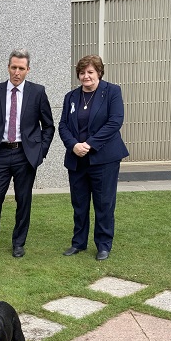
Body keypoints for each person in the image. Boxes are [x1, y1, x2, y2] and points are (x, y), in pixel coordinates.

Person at [0, 48, 54, 258]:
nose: (17, 72)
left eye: (21, 68)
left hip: (25, 155)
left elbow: (48, 126)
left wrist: (40, 153)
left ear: (28, 70)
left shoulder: (38, 92)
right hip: (0, 154)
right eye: (13, 67)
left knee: (24, 200)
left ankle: (18, 243)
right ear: (8, 67)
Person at [58, 54, 129, 260]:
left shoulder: (112, 91)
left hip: (104, 159)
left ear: (99, 72)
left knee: (104, 203)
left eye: (90, 72)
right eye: (82, 72)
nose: (86, 76)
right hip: (77, 159)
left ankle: (103, 245)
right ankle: (78, 243)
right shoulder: (70, 97)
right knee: (79, 204)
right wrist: (74, 145)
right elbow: (63, 125)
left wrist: (89, 144)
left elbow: (115, 122)